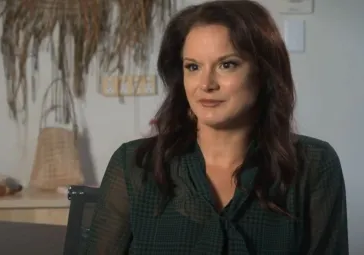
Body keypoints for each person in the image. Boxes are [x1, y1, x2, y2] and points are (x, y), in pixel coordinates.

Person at [84, 0, 349, 254]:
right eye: (193, 67)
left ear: (263, 73)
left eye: (227, 64)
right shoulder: (134, 164)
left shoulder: (314, 165)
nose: (206, 84)